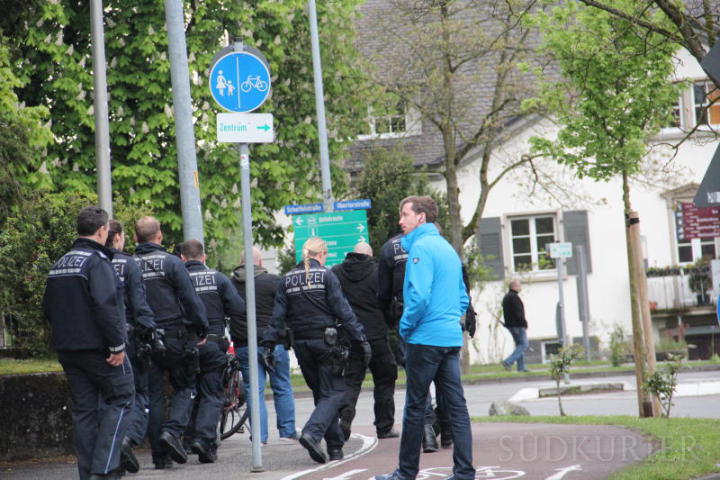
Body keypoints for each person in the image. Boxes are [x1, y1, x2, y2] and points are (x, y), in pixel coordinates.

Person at [376, 196, 474, 480]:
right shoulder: (447, 248)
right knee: (457, 407)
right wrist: (449, 321)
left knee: (415, 407)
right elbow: (462, 297)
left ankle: (406, 473)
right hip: (449, 338)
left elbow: (418, 297)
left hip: (425, 338)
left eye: (405, 214)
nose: (400, 221)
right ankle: (464, 472)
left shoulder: (420, 247)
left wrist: (405, 328)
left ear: (421, 217)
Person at [43, 206, 134, 480]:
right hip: (100, 350)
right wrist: (117, 346)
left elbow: (47, 309)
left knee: (84, 411)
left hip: (68, 349)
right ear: (102, 231)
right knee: (122, 398)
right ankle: (104, 468)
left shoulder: (60, 263)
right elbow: (106, 306)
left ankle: (88, 473)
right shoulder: (97, 262)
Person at [262, 237, 370, 464]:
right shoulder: (327, 276)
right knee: (335, 392)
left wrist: (268, 345)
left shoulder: (286, 279)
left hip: (301, 345)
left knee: (322, 394)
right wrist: (360, 338)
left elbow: (277, 317)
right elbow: (343, 310)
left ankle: (335, 448)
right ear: (321, 254)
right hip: (326, 343)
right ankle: (312, 432)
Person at [133, 216, 208, 469]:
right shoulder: (172, 262)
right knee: (186, 386)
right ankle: (172, 431)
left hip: (144, 339)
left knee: (153, 396)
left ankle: (159, 457)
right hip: (175, 336)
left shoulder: (129, 264)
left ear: (135, 238)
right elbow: (190, 299)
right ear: (160, 236)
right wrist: (201, 327)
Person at [179, 239, 245, 462]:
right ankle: (204, 440)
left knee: (189, 391)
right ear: (204, 257)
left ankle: (187, 440)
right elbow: (238, 307)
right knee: (211, 394)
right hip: (213, 344)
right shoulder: (218, 278)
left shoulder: (177, 279)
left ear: (182, 258)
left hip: (185, 344)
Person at [105, 219, 159, 474]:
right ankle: (127, 440)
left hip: (99, 342)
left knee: (108, 400)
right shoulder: (128, 264)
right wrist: (150, 334)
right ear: (117, 237)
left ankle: (110, 454)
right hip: (129, 339)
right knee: (138, 394)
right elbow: (139, 304)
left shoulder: (94, 262)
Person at [378, 233, 439, 452]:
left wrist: (390, 319)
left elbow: (383, 292)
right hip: (436, 314)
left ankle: (427, 430)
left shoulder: (390, 248)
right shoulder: (436, 242)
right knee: (443, 372)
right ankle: (445, 427)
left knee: (417, 374)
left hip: (405, 315)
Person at [230, 247, 297, 445]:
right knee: (282, 386)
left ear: (241, 262)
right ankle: (287, 432)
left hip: (244, 344)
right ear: (259, 262)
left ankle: (259, 437)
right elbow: (287, 309)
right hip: (273, 343)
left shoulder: (230, 284)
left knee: (253, 390)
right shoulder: (274, 281)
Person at [332, 242, 398, 440]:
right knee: (385, 379)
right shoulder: (378, 272)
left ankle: (346, 417)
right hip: (377, 334)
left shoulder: (336, 272)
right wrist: (390, 323)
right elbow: (387, 301)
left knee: (352, 381)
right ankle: (384, 427)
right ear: (370, 255)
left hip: (351, 336)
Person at [501, 279, 529, 372]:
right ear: (515, 287)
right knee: (524, 345)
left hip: (510, 325)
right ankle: (508, 361)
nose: (520, 288)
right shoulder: (514, 298)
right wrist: (524, 323)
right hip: (517, 325)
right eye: (519, 286)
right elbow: (518, 313)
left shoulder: (506, 297)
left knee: (519, 345)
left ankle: (521, 367)